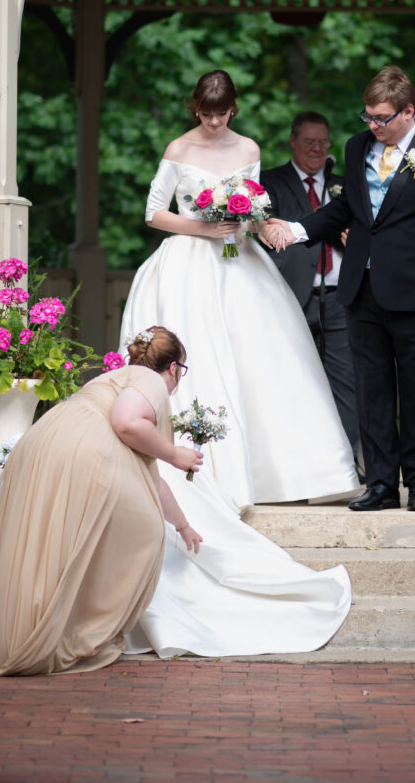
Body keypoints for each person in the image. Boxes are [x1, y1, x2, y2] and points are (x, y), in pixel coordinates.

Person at [120, 70, 359, 510]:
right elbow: (154, 212)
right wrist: (202, 228)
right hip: (189, 259)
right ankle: (196, 468)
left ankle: (282, 474)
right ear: (197, 108)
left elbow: (251, 209)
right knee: (200, 353)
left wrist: (266, 227)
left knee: (262, 357)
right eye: (206, 114)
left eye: (221, 114)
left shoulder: (248, 148)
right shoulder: (179, 148)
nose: (213, 122)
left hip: (238, 259)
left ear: (234, 108)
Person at [265, 65, 415, 513]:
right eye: (368, 117)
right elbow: (345, 211)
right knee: (371, 391)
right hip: (361, 288)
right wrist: (297, 230)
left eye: (381, 118)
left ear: (408, 111)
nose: (373, 126)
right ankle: (381, 483)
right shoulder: (357, 147)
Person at [0, 327, 203, 676]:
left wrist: (183, 525)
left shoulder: (120, 377)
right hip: (82, 448)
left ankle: (25, 632)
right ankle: (84, 631)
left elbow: (150, 479)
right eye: (182, 372)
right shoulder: (151, 380)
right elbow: (127, 423)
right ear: (174, 367)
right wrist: (175, 453)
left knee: (46, 540)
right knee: (145, 532)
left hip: (46, 440)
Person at [260, 112, 361, 473]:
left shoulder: (345, 185)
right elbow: (270, 233)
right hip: (289, 297)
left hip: (339, 295)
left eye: (323, 143)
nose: (317, 149)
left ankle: (345, 465)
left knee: (345, 384)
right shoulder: (269, 182)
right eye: (309, 142)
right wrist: (332, 229)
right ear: (293, 141)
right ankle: (293, 467)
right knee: (289, 383)